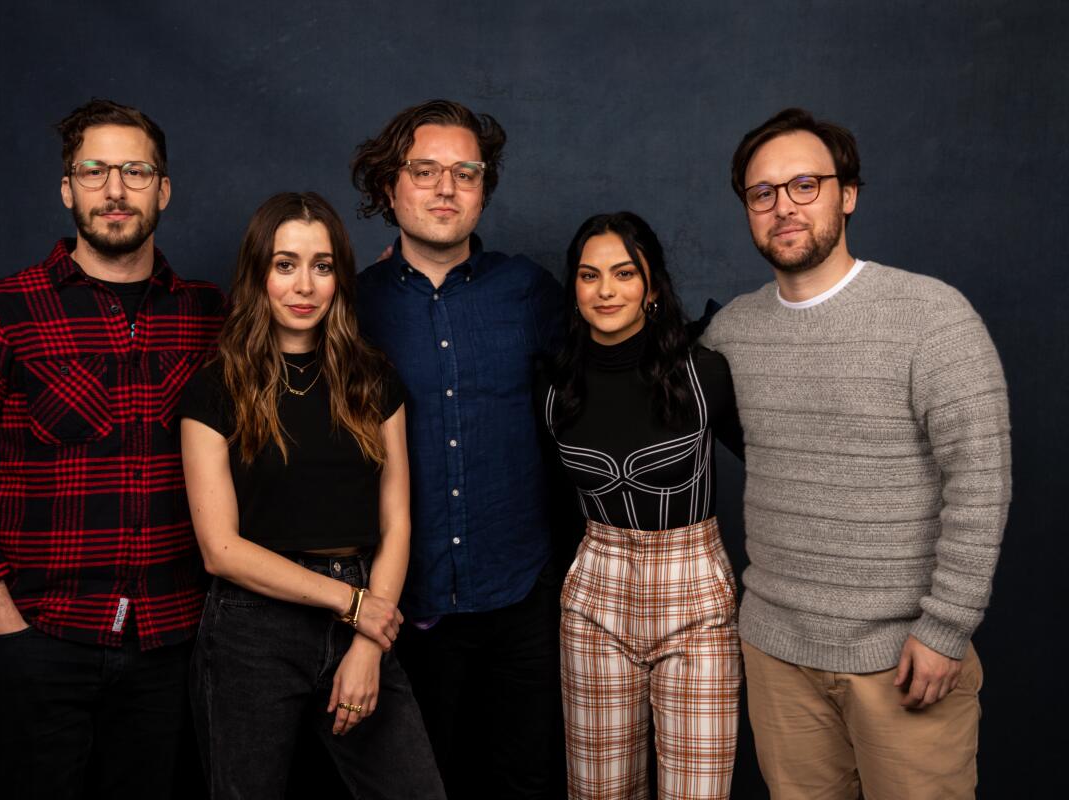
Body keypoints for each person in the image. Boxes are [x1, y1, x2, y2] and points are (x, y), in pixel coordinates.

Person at [0, 98, 224, 798]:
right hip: (41, 643)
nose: (115, 190)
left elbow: (304, 346)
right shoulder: (0, 312)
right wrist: (6, 629)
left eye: (136, 170)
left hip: (172, 650)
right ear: (67, 189)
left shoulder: (212, 316)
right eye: (93, 171)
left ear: (164, 189)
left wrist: (375, 284)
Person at [700, 107, 1011, 799]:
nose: (784, 206)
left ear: (848, 194)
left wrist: (945, 630)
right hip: (778, 655)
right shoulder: (733, 333)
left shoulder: (932, 317)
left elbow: (981, 483)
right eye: (763, 193)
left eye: (805, 184)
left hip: (902, 658)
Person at [178, 192, 446, 799]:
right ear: (257, 274)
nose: (304, 285)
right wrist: (354, 607)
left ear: (339, 278)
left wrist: (366, 642)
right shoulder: (215, 388)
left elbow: (397, 520)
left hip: (362, 604)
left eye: (322, 266)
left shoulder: (372, 378)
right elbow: (220, 549)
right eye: (285, 264)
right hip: (251, 626)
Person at [351, 99, 567, 798]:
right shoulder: (351, 307)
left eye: (465, 173)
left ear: (483, 190)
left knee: (523, 782)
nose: (446, 188)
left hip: (521, 597)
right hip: (403, 607)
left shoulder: (529, 292)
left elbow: (608, 391)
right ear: (390, 187)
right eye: (425, 171)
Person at [541, 212, 743, 800]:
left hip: (696, 596)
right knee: (599, 792)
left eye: (624, 273)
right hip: (593, 599)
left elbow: (780, 467)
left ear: (651, 286)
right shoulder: (555, 388)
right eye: (589, 275)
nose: (605, 291)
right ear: (573, 288)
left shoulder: (702, 373)